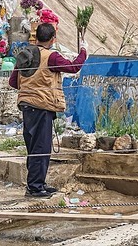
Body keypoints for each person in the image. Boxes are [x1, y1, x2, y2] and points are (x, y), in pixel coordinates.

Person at [9, 22, 87, 198]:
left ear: (36, 37)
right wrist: (83, 52)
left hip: (27, 106)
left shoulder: (25, 53)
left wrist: (30, 87)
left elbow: (13, 82)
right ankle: (35, 187)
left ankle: (38, 183)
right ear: (53, 39)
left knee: (34, 146)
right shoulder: (51, 57)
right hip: (42, 106)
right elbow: (73, 67)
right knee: (41, 148)